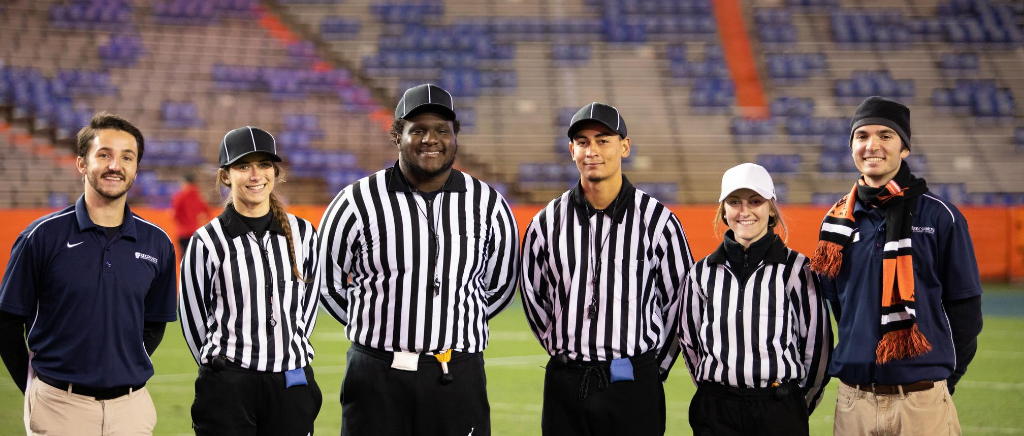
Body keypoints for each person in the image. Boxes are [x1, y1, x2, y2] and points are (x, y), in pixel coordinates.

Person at [316, 83, 520, 436]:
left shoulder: (487, 203)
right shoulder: (356, 201)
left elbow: (502, 283)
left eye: (442, 130)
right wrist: (376, 324)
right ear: (397, 136)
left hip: (457, 374)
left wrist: (454, 321)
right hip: (376, 374)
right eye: (418, 130)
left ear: (455, 136)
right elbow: (326, 280)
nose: (431, 139)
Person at [811, 96, 983, 436]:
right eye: (861, 136)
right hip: (853, 403)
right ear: (851, 147)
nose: (871, 145)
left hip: (921, 401)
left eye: (885, 135)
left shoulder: (940, 217)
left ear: (904, 148)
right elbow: (838, 308)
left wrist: (941, 382)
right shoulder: (835, 223)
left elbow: (965, 312)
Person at [520, 102, 693, 436]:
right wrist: (564, 351)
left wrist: (650, 369)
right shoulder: (546, 222)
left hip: (632, 381)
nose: (592, 150)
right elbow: (533, 295)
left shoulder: (659, 222)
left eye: (603, 140)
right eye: (582, 142)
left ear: (624, 146)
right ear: (572, 150)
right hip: (566, 383)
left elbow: (680, 303)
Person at [0, 113, 176, 435]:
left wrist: (118, 367)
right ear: (82, 163)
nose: (115, 165)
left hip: (132, 409)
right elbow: (7, 322)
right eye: (104, 154)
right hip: (58, 408)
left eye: (127, 157)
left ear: (136, 169)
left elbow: (154, 323)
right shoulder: (40, 236)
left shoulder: (158, 243)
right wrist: (35, 390)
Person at [178, 126, 321, 436]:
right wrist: (223, 365)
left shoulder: (304, 233)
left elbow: (308, 305)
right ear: (226, 175)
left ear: (275, 171)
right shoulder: (207, 241)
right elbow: (193, 319)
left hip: (289, 380)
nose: (256, 175)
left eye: (264, 165)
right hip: (229, 386)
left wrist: (285, 346)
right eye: (243, 166)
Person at [678, 163, 832, 436]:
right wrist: (715, 391)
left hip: (778, 408)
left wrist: (795, 401)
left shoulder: (797, 269)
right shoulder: (701, 273)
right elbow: (690, 341)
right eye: (734, 202)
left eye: (755, 201)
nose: (744, 211)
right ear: (723, 210)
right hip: (717, 410)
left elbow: (817, 347)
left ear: (771, 208)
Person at [171, 171, 210, 255]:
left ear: (185, 182)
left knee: (184, 258)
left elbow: (175, 213)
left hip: (183, 232)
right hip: (196, 232)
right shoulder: (199, 196)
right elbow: (206, 213)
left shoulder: (180, 196)